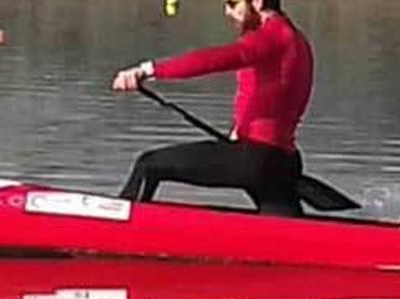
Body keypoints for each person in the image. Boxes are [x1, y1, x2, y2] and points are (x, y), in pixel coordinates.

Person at [111, 0, 313, 217]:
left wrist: (147, 70)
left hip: (257, 158)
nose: (227, 11)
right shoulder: (294, 39)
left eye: (233, 3)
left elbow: (214, 60)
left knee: (149, 165)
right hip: (281, 161)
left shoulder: (274, 35)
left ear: (257, 2)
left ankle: (112, 228)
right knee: (284, 233)